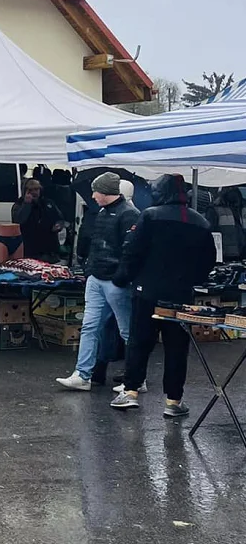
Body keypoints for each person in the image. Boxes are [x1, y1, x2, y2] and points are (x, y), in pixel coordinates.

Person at [110, 174, 216, 416]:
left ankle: (131, 391)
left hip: (147, 290)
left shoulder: (150, 216)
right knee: (177, 347)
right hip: (181, 294)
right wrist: (192, 280)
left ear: (160, 192)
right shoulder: (199, 221)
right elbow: (208, 260)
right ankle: (174, 401)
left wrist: (124, 277)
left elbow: (132, 251)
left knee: (140, 342)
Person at [56, 172, 139, 391]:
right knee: (90, 326)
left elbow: (130, 251)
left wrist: (119, 277)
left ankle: (135, 380)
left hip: (113, 281)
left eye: (96, 191)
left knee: (126, 331)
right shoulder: (105, 212)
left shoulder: (128, 214)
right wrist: (90, 271)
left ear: (106, 192)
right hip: (99, 278)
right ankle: (83, 374)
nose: (92, 195)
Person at [11, 178, 64, 260]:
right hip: (29, 252)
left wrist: (58, 225)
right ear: (25, 191)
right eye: (30, 190)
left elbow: (60, 219)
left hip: (49, 252)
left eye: (36, 189)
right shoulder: (19, 205)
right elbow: (18, 221)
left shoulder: (48, 203)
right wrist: (27, 204)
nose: (34, 192)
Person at [206, 186, 246, 262]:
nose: (231, 189)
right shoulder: (215, 208)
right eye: (229, 187)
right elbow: (210, 235)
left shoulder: (243, 206)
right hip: (226, 257)